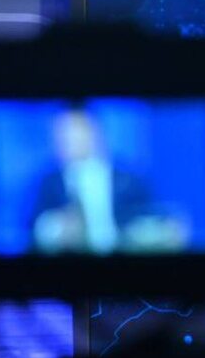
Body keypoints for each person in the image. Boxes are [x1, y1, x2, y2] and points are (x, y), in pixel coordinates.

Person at [32, 107, 185, 254]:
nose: (68, 141)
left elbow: (151, 217)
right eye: (62, 135)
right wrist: (56, 229)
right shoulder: (49, 183)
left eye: (74, 132)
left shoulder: (130, 179)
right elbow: (33, 228)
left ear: (95, 132)